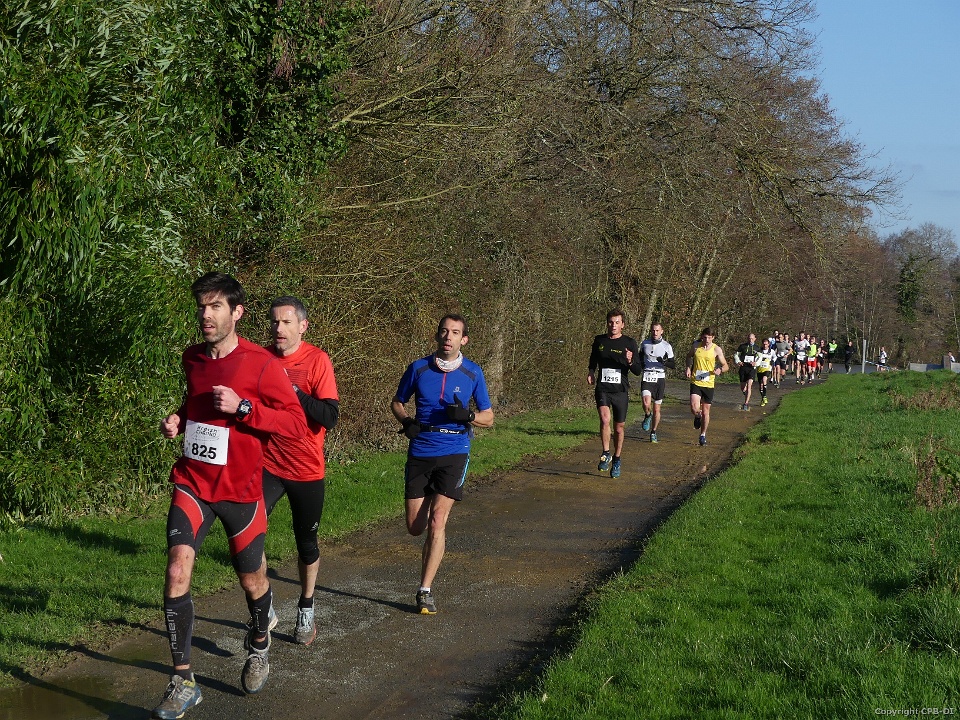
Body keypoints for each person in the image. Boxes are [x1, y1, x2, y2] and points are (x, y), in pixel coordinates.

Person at [153, 273, 307, 718]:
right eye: (202, 306)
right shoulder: (192, 358)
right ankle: (183, 681)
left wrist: (244, 408)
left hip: (240, 491)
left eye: (215, 306)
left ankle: (259, 642)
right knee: (176, 569)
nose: (206, 315)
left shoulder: (261, 364)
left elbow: (297, 424)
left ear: (237, 312)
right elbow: (195, 404)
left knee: (252, 581)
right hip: (193, 482)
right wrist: (178, 419)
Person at [391, 314, 494, 615]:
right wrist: (406, 421)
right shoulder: (418, 368)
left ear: (464, 340)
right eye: (445, 331)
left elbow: (489, 417)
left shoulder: (473, 373)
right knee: (415, 527)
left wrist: (469, 416)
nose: (449, 337)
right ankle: (427, 541)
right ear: (437, 336)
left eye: (456, 333)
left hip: (455, 451)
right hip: (421, 449)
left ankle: (425, 590)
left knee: (438, 521)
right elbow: (397, 402)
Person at [260, 296, 340, 646]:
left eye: (286, 322)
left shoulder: (317, 360)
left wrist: (293, 392)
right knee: (248, 534)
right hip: (267, 464)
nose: (278, 328)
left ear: (302, 326)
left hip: (306, 469)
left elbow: (329, 417)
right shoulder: (261, 358)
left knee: (306, 544)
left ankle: (306, 607)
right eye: (274, 322)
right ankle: (263, 604)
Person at [587, 309, 642, 478]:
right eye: (611, 322)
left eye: (617, 322)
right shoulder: (600, 340)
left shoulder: (629, 343)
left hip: (620, 391)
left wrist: (630, 360)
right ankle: (606, 453)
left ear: (622, 325)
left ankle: (617, 458)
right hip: (603, 388)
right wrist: (591, 372)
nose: (613, 325)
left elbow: (637, 371)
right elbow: (593, 359)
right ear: (607, 323)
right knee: (605, 420)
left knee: (618, 428)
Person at [686, 327, 729, 447]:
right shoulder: (696, 346)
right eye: (705, 337)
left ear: (713, 338)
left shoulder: (716, 349)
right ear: (702, 337)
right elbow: (688, 356)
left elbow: (726, 366)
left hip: (709, 384)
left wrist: (720, 370)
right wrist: (688, 368)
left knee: (706, 412)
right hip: (696, 381)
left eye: (709, 338)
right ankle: (697, 415)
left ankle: (703, 435)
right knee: (694, 408)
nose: (707, 340)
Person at [639, 322, 676, 443]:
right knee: (646, 403)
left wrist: (664, 362)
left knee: (656, 409)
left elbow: (673, 364)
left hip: (659, 377)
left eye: (657, 331)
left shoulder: (666, 346)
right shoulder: (645, 343)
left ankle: (653, 432)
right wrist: (640, 365)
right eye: (653, 330)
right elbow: (639, 358)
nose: (655, 333)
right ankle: (647, 415)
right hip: (647, 375)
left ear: (661, 331)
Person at [734, 333, 760, 411]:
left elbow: (760, 357)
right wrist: (738, 361)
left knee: (749, 385)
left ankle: (746, 403)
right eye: (749, 338)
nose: (750, 340)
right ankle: (746, 394)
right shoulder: (742, 346)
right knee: (743, 387)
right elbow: (736, 355)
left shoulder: (757, 348)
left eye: (752, 338)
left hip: (751, 369)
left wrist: (756, 363)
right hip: (743, 367)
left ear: (755, 339)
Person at [754, 338, 777, 407]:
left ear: (768, 344)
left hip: (767, 369)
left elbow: (775, 357)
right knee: (761, 385)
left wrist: (773, 361)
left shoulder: (771, 351)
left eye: (766, 344)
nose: (765, 346)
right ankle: (763, 398)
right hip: (760, 369)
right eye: (764, 344)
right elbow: (755, 358)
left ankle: (764, 396)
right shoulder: (759, 351)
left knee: (764, 379)